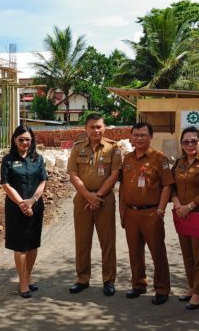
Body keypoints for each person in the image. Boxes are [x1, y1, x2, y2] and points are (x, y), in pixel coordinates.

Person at [118, 122, 174, 305]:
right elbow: (123, 187)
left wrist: (161, 209)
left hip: (151, 213)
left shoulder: (160, 158)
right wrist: (122, 212)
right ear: (131, 137)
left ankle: (162, 288)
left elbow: (167, 185)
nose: (139, 138)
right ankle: (138, 284)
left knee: (157, 252)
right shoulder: (126, 158)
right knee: (135, 252)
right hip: (131, 213)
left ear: (151, 137)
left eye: (143, 135)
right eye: (136, 135)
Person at [66, 113, 121, 296]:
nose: (96, 130)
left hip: (104, 200)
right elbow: (73, 174)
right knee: (82, 241)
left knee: (107, 242)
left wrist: (97, 196)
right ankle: (82, 279)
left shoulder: (113, 148)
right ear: (86, 129)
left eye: (99, 126)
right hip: (82, 199)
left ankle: (108, 280)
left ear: (104, 127)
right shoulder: (77, 148)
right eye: (92, 127)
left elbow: (115, 174)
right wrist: (88, 196)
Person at [170, 126, 199, 310]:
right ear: (181, 145)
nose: (190, 144)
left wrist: (189, 206)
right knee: (187, 254)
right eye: (186, 141)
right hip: (182, 214)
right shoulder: (179, 163)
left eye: (193, 141)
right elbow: (171, 184)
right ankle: (192, 287)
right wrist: (177, 204)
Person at [0, 126, 48, 298]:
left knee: (33, 243)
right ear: (14, 140)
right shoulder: (8, 160)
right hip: (15, 208)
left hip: (35, 207)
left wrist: (32, 201)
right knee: (20, 246)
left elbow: (43, 181)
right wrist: (21, 203)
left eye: (28, 139)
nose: (25, 143)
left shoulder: (38, 158)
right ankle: (22, 283)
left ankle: (28, 277)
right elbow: (6, 184)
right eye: (21, 139)